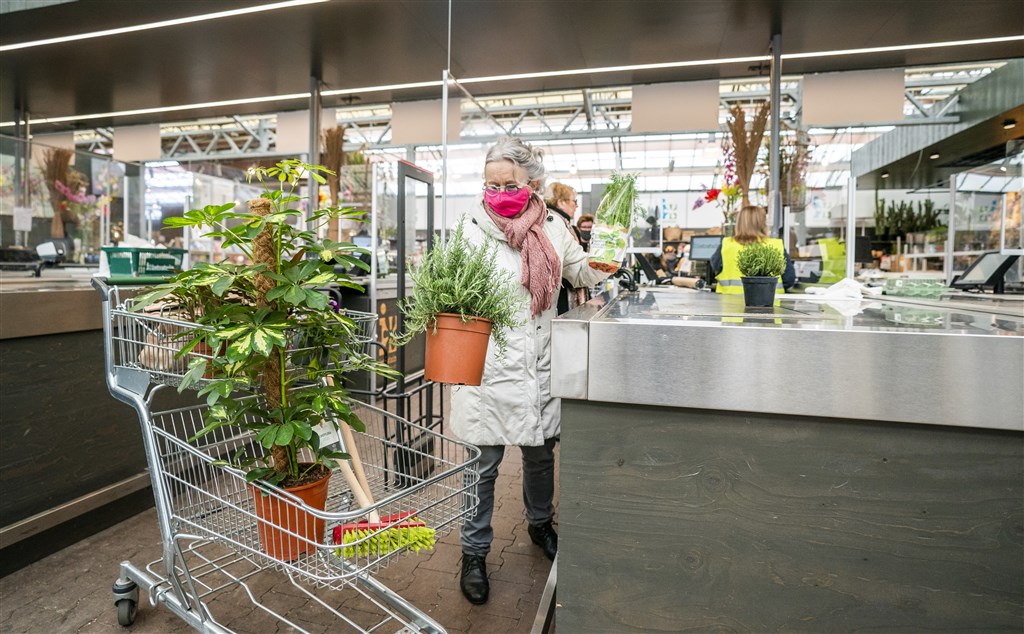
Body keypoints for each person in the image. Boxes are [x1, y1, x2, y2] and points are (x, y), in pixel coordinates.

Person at [452, 136, 610, 605]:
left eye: (510, 184)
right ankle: (473, 553)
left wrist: (609, 255)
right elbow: (446, 292)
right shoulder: (469, 227)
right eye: (492, 184)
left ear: (532, 183)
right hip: (486, 367)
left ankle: (540, 524)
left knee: (540, 456)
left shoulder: (554, 228)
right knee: (482, 465)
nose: (500, 193)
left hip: (539, 364)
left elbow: (581, 271)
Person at [710, 205, 796, 293]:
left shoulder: (727, 245)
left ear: (739, 223)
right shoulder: (776, 245)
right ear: (763, 223)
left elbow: (714, 270)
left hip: (729, 300)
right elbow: (789, 279)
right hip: (770, 300)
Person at [545, 182, 588, 314]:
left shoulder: (566, 224)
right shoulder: (553, 225)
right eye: (574, 201)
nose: (576, 206)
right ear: (561, 202)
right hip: (560, 295)